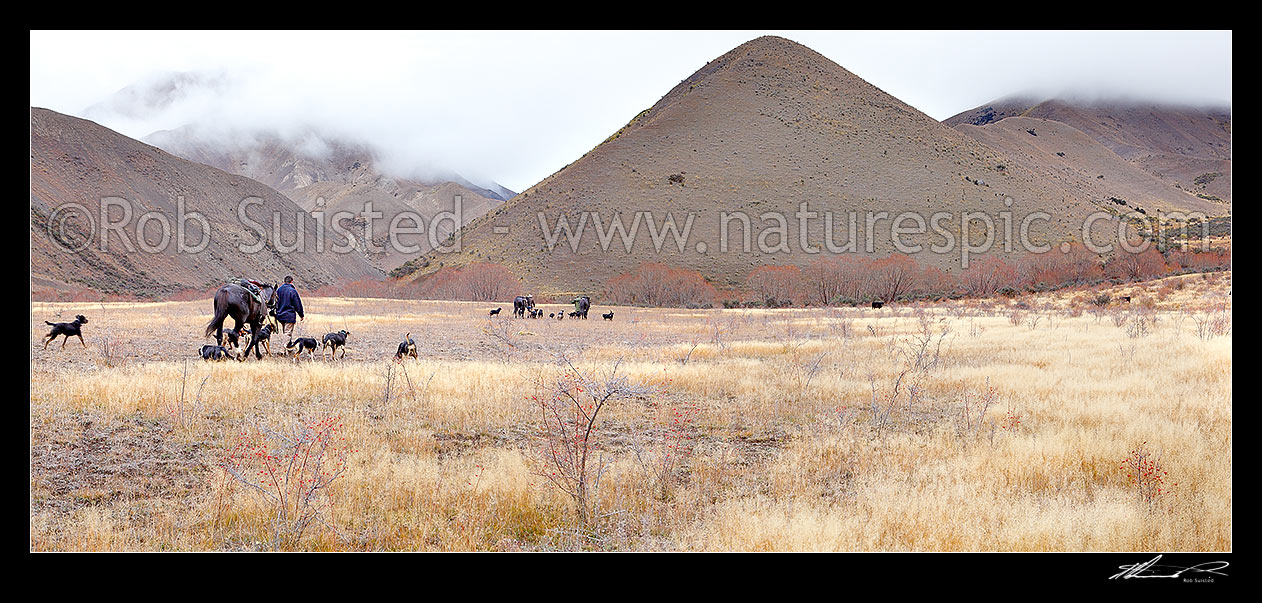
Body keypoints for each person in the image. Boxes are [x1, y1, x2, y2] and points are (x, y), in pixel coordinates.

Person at [275, 275, 304, 341]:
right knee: (288, 333)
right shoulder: (292, 291)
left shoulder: (278, 290)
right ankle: (284, 349)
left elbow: (275, 302)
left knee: (285, 332)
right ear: (291, 282)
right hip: (289, 315)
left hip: (280, 315)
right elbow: (297, 304)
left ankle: (289, 350)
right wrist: (301, 315)